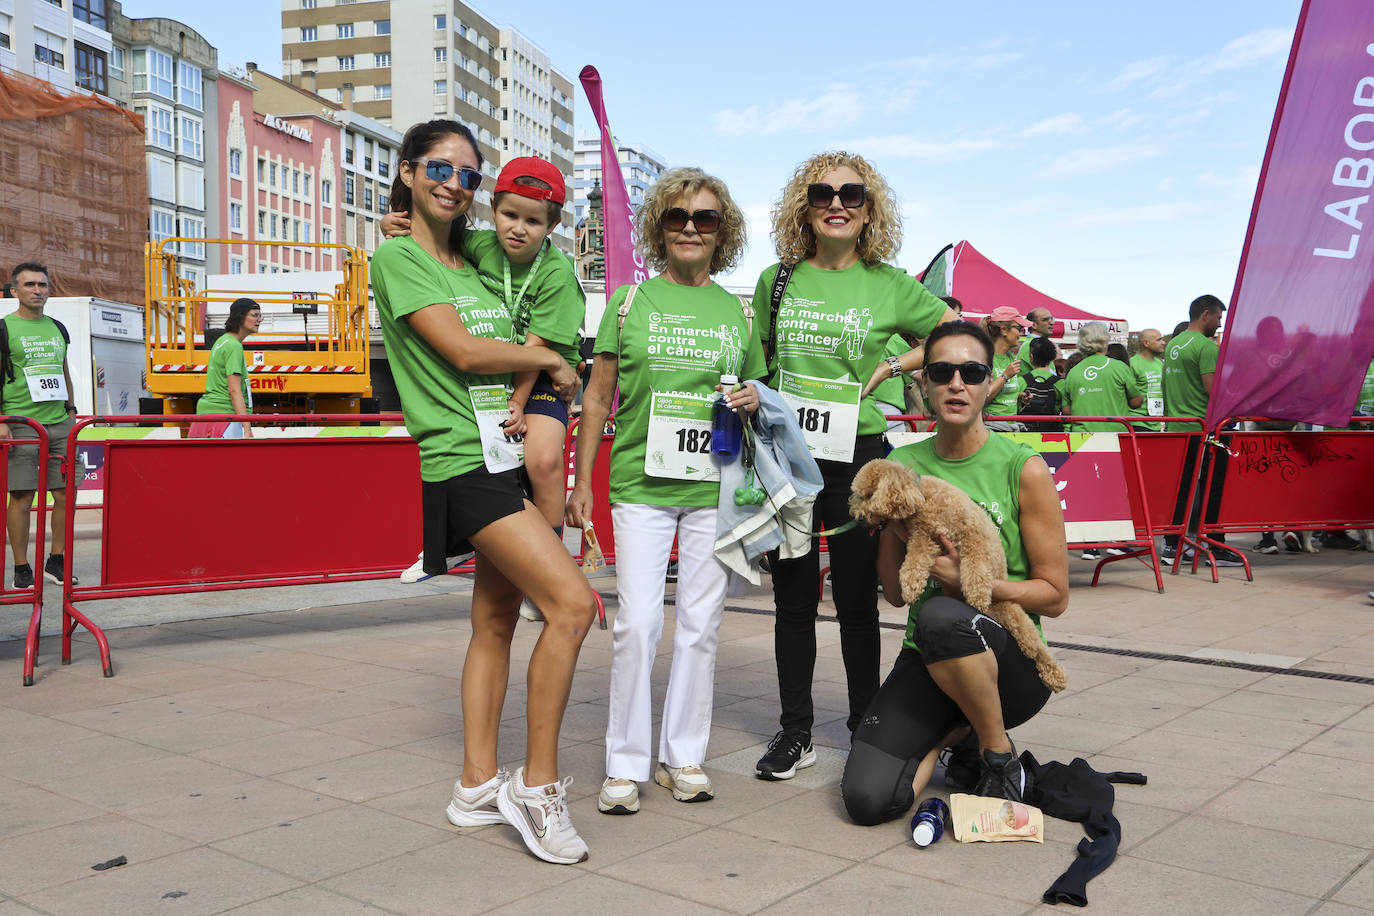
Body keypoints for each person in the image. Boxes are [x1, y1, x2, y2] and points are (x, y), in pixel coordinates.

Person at [371, 119, 597, 866]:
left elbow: (523, 299)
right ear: (407, 171)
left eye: (468, 174)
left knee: (497, 620)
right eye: (439, 168)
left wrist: (544, 362)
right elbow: (466, 353)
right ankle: (535, 789)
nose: (454, 183)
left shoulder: (472, 259)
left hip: (503, 457)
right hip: (461, 465)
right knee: (571, 606)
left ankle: (474, 785)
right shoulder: (399, 258)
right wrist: (552, 363)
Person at [751, 151, 959, 780]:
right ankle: (795, 732)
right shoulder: (777, 279)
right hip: (789, 458)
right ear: (804, 206)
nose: (836, 203)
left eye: (852, 195)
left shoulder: (890, 283)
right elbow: (758, 366)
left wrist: (894, 366)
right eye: (822, 193)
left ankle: (864, 726)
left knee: (857, 605)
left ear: (870, 210)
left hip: (859, 461)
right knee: (792, 601)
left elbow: (956, 336)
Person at [567, 167, 764, 814]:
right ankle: (624, 764)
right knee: (640, 624)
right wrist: (580, 485)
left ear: (721, 232)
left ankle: (683, 754)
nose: (689, 227)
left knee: (702, 625)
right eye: (678, 216)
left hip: (715, 484)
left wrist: (751, 396)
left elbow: (761, 395)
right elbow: (597, 398)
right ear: (660, 227)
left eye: (704, 218)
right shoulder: (627, 303)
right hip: (639, 485)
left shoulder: (739, 310)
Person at [840, 319, 1069, 825]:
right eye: (942, 371)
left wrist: (969, 580)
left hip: (1009, 665)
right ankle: (955, 733)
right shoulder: (902, 463)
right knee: (868, 801)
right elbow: (897, 598)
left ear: (990, 383)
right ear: (923, 384)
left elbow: (1054, 595)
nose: (956, 383)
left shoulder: (1023, 468)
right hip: (929, 657)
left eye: (972, 371)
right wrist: (892, 527)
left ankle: (997, 753)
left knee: (944, 614)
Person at [382, 158, 585, 605]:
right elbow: (434, 242)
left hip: (546, 374)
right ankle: (451, 544)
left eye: (533, 221)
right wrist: (391, 224)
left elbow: (537, 347)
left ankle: (549, 559)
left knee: (544, 461)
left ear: (551, 226)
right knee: (492, 470)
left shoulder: (557, 275)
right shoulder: (478, 245)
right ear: (493, 209)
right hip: (505, 372)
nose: (518, 229)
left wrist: (519, 398)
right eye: (510, 215)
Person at [2, 262, 78, 588]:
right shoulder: (4, 329)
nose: (38, 290)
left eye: (43, 285)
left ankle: (56, 561)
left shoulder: (57, 328)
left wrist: (72, 410)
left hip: (60, 422)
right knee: (21, 496)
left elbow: (62, 371)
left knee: (64, 495)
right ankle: (21, 567)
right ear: (14, 291)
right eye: (30, 284)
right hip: (20, 423)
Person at [1162, 294, 1243, 567]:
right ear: (1205, 314)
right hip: (1206, 430)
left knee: (1181, 489)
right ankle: (1214, 545)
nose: (1219, 325)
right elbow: (1214, 391)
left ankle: (1172, 544)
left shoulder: (1174, 343)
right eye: (1218, 318)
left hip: (1178, 428)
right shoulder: (1207, 348)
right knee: (1213, 487)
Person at [189, 298, 261, 439]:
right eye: (254, 315)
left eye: (259, 315)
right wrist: (247, 428)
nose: (259, 320)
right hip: (225, 416)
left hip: (208, 413)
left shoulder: (222, 341)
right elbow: (234, 389)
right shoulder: (234, 346)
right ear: (240, 316)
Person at [983, 306, 1032, 431]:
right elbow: (981, 398)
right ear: (1004, 330)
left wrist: (1020, 397)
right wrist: (1005, 376)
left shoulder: (1010, 357)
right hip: (991, 428)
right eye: (1019, 328)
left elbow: (1002, 394)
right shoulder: (984, 357)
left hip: (1011, 426)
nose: (1021, 333)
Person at [1017, 336, 1062, 432]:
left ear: (1031, 357)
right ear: (1053, 357)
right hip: (1052, 436)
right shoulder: (1061, 383)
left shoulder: (1020, 381)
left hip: (1025, 434)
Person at [1128, 327, 1165, 432]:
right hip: (1138, 421)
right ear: (1146, 343)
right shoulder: (1132, 363)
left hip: (1156, 422)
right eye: (1159, 340)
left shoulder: (1159, 363)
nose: (1163, 342)